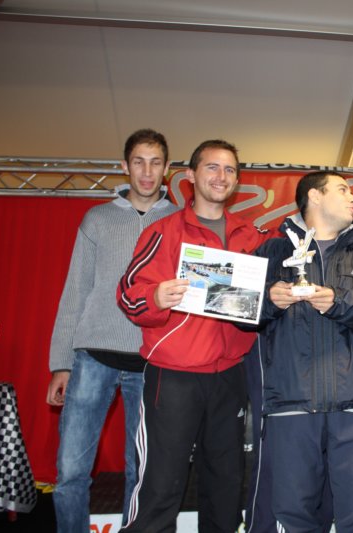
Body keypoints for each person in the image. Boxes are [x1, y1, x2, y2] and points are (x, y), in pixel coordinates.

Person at [116, 139, 271, 532]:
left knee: (224, 487)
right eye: (212, 167)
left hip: (230, 375)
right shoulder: (165, 231)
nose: (221, 176)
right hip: (174, 376)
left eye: (230, 169)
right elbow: (129, 294)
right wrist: (156, 296)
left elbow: (264, 304)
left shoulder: (251, 237)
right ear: (190, 175)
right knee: (160, 485)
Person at [47, 128, 178, 532]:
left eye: (155, 163)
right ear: (124, 166)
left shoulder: (179, 221)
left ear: (167, 169)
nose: (147, 171)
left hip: (151, 360)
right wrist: (61, 364)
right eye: (139, 162)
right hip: (92, 357)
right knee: (70, 471)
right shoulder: (97, 218)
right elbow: (75, 291)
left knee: (139, 472)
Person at [253, 171, 353, 531]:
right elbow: (238, 313)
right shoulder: (272, 251)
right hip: (291, 404)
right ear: (314, 197)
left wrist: (339, 301)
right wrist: (269, 300)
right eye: (343, 189)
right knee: (292, 513)